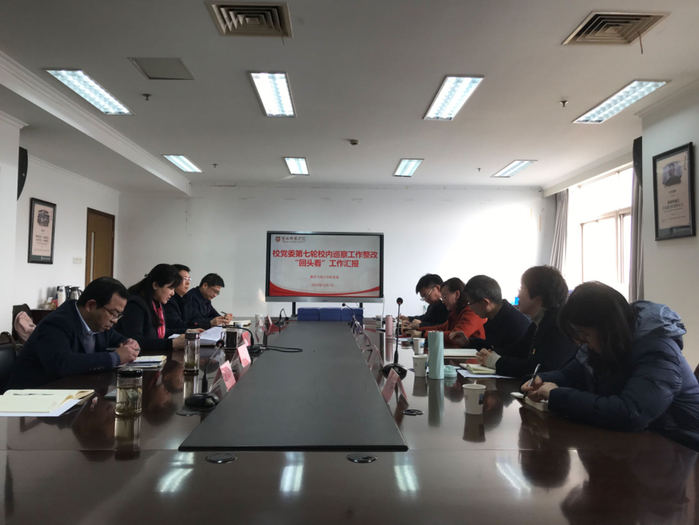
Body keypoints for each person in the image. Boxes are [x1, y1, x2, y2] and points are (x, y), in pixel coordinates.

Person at [523, 281, 699, 450]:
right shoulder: (606, 345)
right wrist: (539, 380)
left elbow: (630, 414)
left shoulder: (658, 351)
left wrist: (556, 395)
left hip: (680, 448)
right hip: (638, 444)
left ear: (608, 328)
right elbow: (570, 375)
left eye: (584, 334)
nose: (580, 342)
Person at [8, 277, 140, 388]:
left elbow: (116, 338)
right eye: (113, 313)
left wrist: (129, 343)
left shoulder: (99, 323)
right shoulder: (57, 323)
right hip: (32, 397)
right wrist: (115, 357)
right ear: (91, 305)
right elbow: (63, 364)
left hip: (73, 392)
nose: (115, 320)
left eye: (119, 315)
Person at [477, 266, 577, 378]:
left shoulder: (558, 326)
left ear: (539, 295)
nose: (518, 295)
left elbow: (538, 368)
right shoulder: (538, 322)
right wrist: (492, 354)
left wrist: (497, 362)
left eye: (522, 289)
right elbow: (518, 351)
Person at [116, 264, 186, 353]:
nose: (173, 293)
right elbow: (135, 341)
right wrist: (172, 343)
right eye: (170, 288)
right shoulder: (135, 305)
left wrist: (187, 331)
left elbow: (158, 332)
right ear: (155, 285)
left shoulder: (156, 303)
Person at [462, 274, 534, 357]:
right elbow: (492, 347)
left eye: (470, 303)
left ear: (485, 303)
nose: (469, 307)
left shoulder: (515, 324)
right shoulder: (496, 316)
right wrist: (468, 342)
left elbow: (509, 356)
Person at [419, 277, 486, 348]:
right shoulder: (455, 312)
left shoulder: (472, 312)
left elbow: (456, 337)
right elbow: (441, 328)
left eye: (444, 297)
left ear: (457, 294)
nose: (443, 301)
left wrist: (423, 334)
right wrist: (419, 330)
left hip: (473, 353)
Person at [164, 263, 191, 335]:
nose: (188, 283)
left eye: (189, 279)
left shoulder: (185, 298)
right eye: (185, 279)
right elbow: (176, 324)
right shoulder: (168, 299)